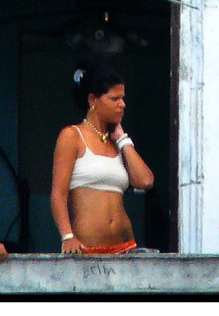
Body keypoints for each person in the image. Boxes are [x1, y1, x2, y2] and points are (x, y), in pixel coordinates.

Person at [50, 62, 154, 255]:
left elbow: (145, 181)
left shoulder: (117, 141)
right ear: (93, 99)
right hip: (88, 248)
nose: (122, 104)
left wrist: (123, 139)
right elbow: (58, 193)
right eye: (115, 98)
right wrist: (67, 236)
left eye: (123, 98)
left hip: (125, 247)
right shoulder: (72, 136)